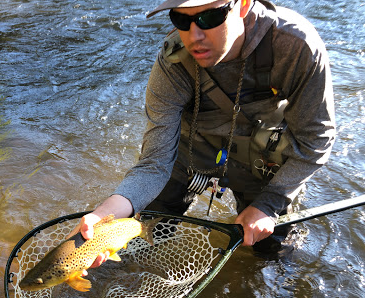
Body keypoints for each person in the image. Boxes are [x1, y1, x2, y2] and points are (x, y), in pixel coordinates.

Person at [77, 0, 335, 267]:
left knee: (271, 255)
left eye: (210, 17)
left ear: (243, 5)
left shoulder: (295, 46)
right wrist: (103, 215)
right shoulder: (172, 63)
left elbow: (315, 141)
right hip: (190, 153)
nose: (194, 36)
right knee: (144, 243)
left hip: (261, 162)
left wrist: (269, 204)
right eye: (180, 20)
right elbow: (154, 164)